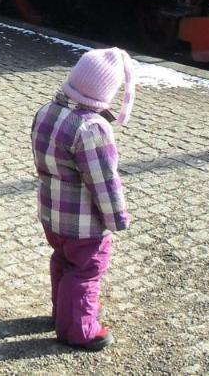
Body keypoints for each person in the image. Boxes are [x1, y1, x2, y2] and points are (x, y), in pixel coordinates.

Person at [32, 47, 135, 352]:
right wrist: (117, 218)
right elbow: (104, 181)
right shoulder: (91, 127)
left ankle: (63, 313)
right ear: (104, 91)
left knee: (63, 261)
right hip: (83, 223)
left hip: (52, 214)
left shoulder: (47, 111)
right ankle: (79, 329)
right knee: (86, 270)